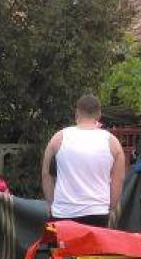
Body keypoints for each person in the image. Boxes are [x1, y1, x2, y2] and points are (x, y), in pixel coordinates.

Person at [41, 94, 125, 228]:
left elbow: (46, 174)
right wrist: (111, 206)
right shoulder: (112, 142)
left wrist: (51, 203)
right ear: (99, 114)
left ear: (77, 113)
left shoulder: (59, 138)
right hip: (98, 211)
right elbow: (118, 179)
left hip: (63, 211)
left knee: (60, 243)